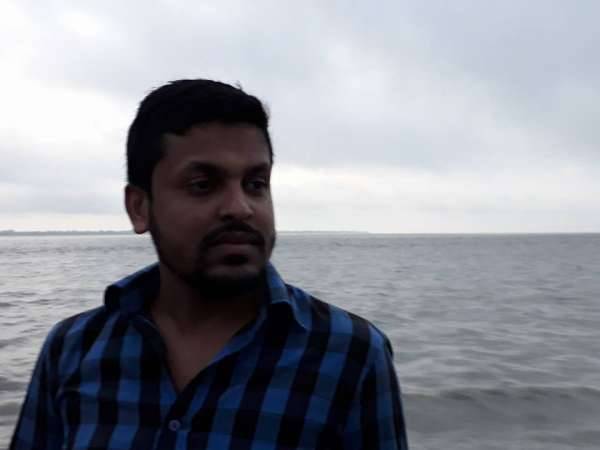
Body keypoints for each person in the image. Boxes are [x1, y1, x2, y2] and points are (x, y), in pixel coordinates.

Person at [10, 79, 409, 449]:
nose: (240, 207)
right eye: (203, 185)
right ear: (139, 207)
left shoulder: (349, 355)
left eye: (256, 184)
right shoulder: (74, 349)